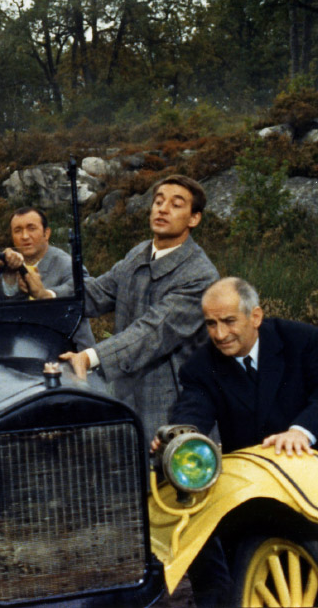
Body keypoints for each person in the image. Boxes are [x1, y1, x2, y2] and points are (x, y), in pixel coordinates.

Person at [153, 277, 318, 603]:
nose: (219, 334)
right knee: (244, 584)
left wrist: (301, 431)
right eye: (210, 323)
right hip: (253, 503)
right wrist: (181, 439)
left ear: (255, 316)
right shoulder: (201, 365)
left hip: (313, 491)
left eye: (228, 321)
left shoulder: (301, 340)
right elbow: (192, 410)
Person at [58, 174, 218, 442]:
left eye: (176, 204)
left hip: (172, 407)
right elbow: (98, 292)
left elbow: (152, 332)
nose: (162, 209)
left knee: (168, 480)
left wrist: (90, 357)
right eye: (158, 201)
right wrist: (45, 293)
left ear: (194, 218)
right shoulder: (139, 253)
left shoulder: (200, 275)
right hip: (126, 398)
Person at [0, 206, 74, 300]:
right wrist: (9, 276)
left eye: (32, 228)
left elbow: (82, 288)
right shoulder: (4, 264)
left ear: (46, 234)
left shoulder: (66, 263)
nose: (25, 236)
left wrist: (45, 294)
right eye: (18, 231)